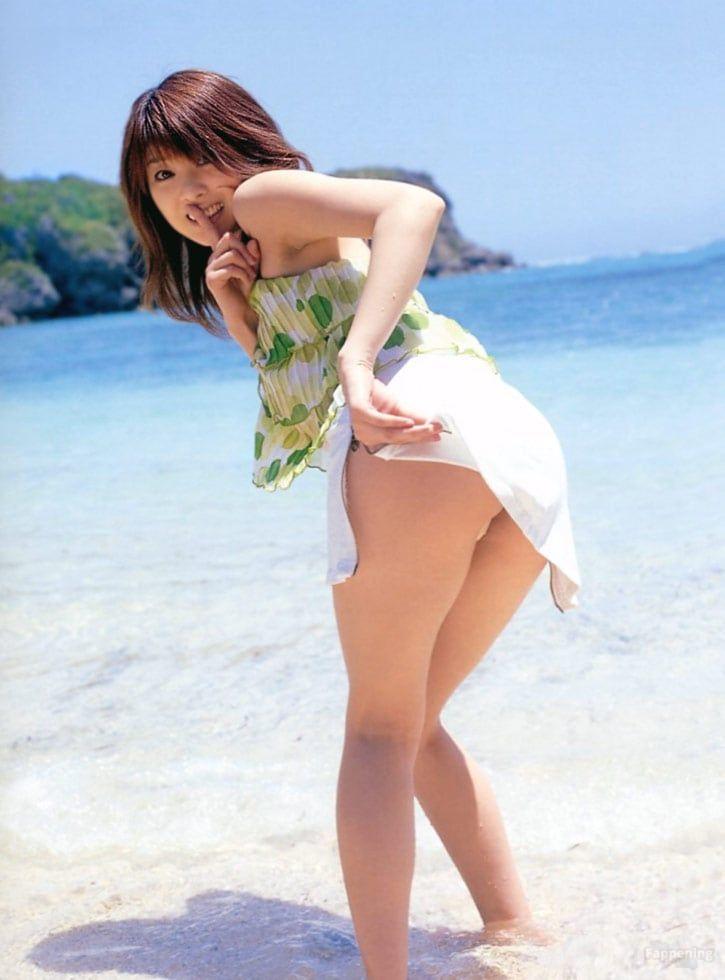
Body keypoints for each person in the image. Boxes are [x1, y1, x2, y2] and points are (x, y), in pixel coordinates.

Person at [120, 68, 581, 976]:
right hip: (507, 445)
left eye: (197, 162)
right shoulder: (266, 240)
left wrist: (358, 362)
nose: (188, 193)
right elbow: (299, 394)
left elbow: (413, 206)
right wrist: (239, 311)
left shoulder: (268, 195)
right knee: (412, 723)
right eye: (161, 179)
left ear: (244, 142)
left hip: (418, 428)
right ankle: (513, 930)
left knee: (375, 731)